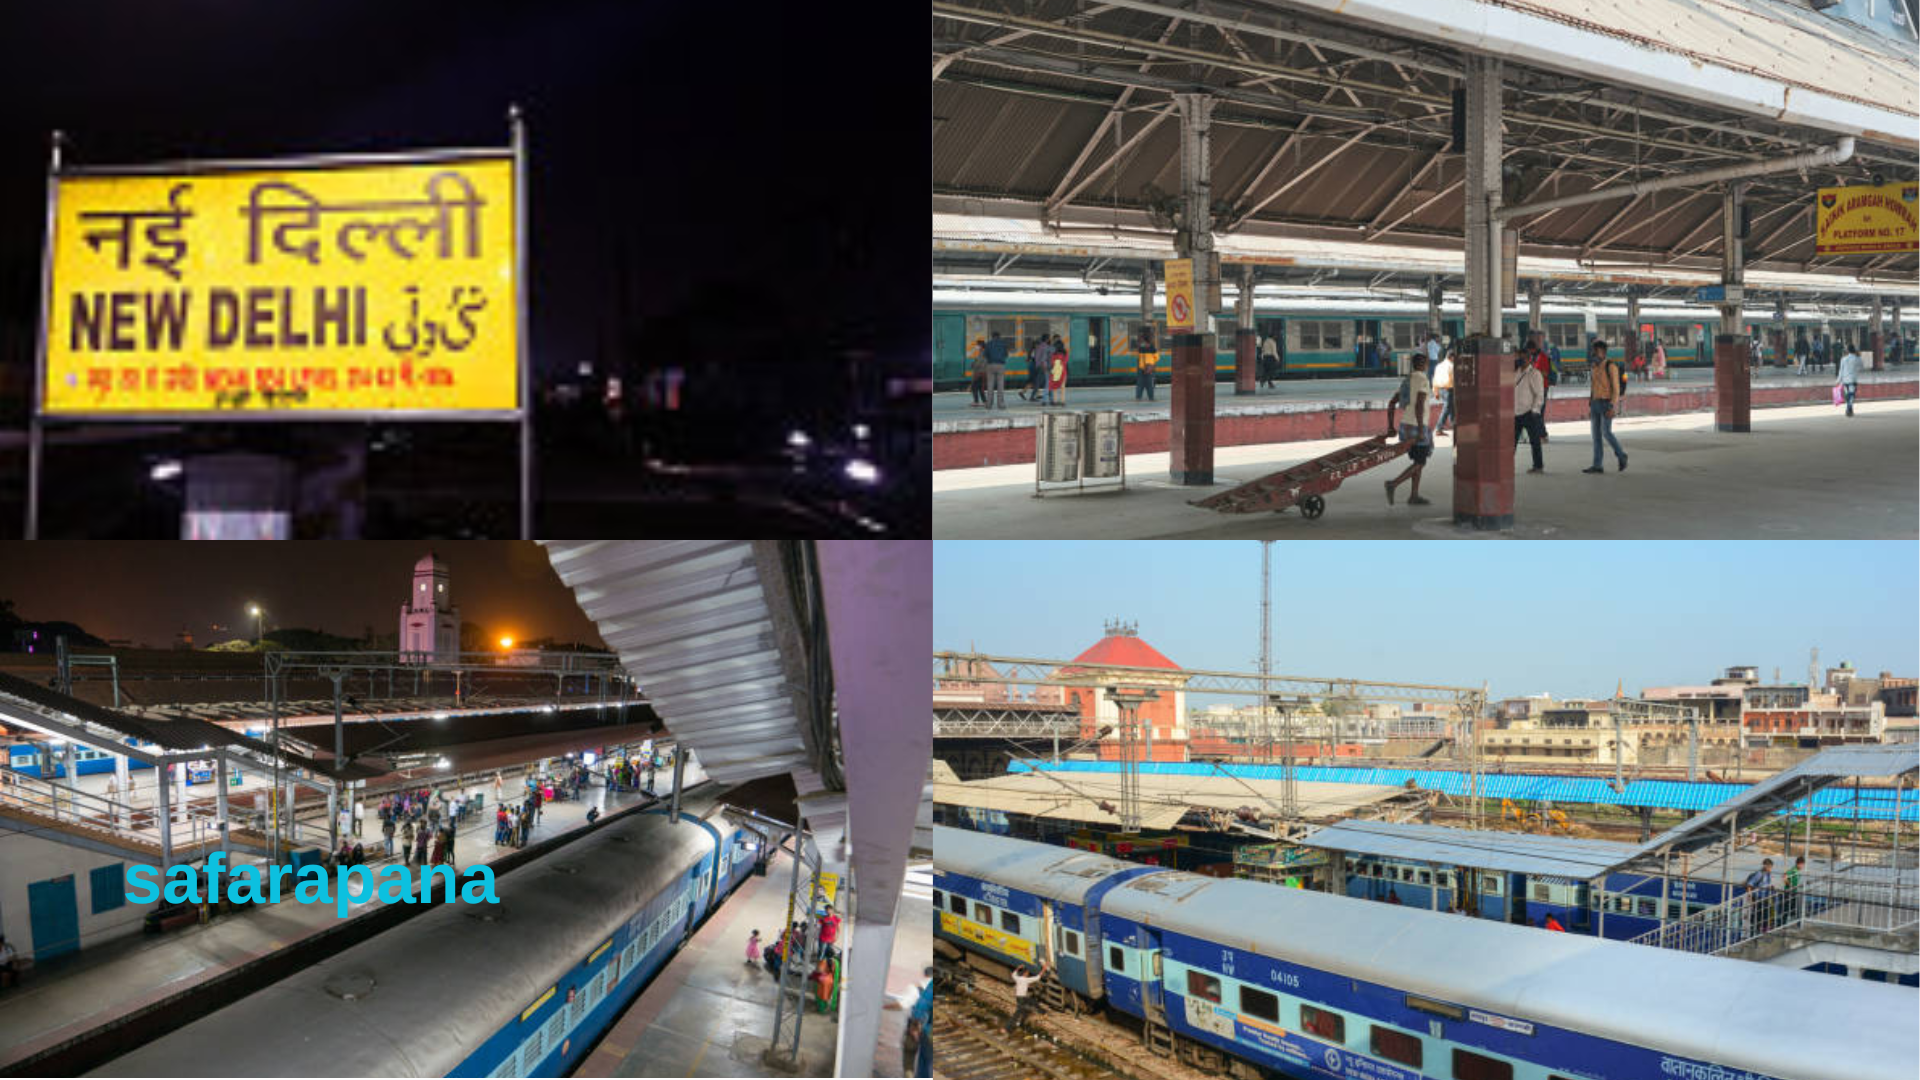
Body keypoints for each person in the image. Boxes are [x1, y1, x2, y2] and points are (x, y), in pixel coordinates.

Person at [1383, 354, 1433, 507]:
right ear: (1425, 364)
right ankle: (1393, 484)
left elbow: (1392, 403)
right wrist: (1420, 429)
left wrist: (1391, 426)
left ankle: (1414, 496)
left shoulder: (1407, 380)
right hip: (1416, 426)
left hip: (1404, 427)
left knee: (1418, 461)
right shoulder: (1423, 380)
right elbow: (1419, 405)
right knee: (1421, 462)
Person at [1583, 339, 1628, 475]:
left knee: (1606, 432)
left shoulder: (1611, 366)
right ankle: (1597, 465)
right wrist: (1590, 403)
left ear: (1602, 351)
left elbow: (1616, 388)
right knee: (1596, 436)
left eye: (1594, 351)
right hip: (1595, 403)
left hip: (1606, 403)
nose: (1592, 354)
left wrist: (1612, 407)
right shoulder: (1595, 366)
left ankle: (1621, 455)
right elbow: (1593, 386)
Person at [1513, 353, 1547, 475]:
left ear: (1529, 359)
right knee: (1511, 442)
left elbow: (1539, 394)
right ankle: (1507, 466)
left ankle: (1538, 466)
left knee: (1534, 441)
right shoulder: (1516, 372)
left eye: (1522, 358)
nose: (1519, 360)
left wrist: (1535, 410)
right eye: (1518, 358)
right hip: (1515, 412)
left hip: (1529, 413)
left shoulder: (1534, 374)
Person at [1006, 960, 1050, 1034]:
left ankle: (1043, 1013)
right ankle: (1007, 1028)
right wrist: (1044, 968)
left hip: (1019, 997)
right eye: (1027, 973)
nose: (1028, 974)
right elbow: (1037, 977)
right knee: (1017, 1014)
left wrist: (1018, 968)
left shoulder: (1018, 978)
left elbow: (1013, 975)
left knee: (1033, 1002)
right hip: (1022, 998)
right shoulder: (1025, 980)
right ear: (1025, 974)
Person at [1745, 858, 1775, 934]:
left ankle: (1764, 931)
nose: (1770, 869)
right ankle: (1755, 932)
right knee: (1758, 915)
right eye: (1769, 867)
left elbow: (1767, 884)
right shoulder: (1759, 874)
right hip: (1758, 897)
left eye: (1771, 867)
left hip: (1765, 897)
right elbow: (1749, 884)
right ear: (1765, 866)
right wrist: (1750, 897)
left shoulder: (1769, 874)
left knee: (1766, 915)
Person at [1430, 349, 1456, 437]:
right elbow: (1454, 379)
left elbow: (1434, 379)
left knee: (1452, 407)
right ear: (1451, 357)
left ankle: (1455, 425)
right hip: (1449, 389)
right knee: (1447, 408)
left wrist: (1435, 391)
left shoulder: (1439, 366)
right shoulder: (1451, 366)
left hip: (1441, 389)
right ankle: (1439, 428)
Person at [982, 330, 1010, 410]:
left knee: (990, 385)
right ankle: (1000, 404)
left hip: (990, 365)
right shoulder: (1003, 344)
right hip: (1001, 365)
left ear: (992, 336)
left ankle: (989, 404)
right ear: (999, 336)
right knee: (1000, 385)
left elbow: (985, 355)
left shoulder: (989, 343)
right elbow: (1006, 354)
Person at [1022, 333, 1050, 403]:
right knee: (1037, 381)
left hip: (1034, 366)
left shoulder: (1032, 350)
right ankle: (1031, 395)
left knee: (1035, 381)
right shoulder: (1039, 349)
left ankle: (1035, 394)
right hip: (1036, 366)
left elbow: (1028, 359)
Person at [1836, 339, 1861, 417]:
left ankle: (1849, 409)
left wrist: (1838, 380)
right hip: (1853, 380)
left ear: (1848, 350)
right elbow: (1861, 367)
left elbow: (1841, 370)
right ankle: (1849, 408)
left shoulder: (1843, 359)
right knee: (1852, 395)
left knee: (1848, 395)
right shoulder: (1857, 358)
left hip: (1845, 380)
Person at [1134, 327, 1157, 401]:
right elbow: (1156, 357)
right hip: (1149, 367)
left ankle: (1138, 397)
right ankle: (1151, 397)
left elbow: (1138, 357)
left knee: (1140, 384)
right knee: (1149, 384)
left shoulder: (1141, 347)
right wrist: (1152, 365)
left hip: (1142, 367)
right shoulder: (1152, 348)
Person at [1046, 334, 1068, 407]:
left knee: (1054, 387)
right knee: (1062, 387)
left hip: (1055, 372)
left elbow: (1051, 363)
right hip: (1063, 371)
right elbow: (1065, 362)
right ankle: (1062, 401)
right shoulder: (1065, 353)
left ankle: (1055, 401)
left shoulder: (1053, 354)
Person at [968, 340, 988, 408]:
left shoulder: (983, 353)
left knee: (974, 387)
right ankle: (984, 402)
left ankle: (977, 402)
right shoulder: (982, 353)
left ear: (981, 346)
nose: (976, 347)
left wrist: (973, 365)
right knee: (979, 388)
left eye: (978, 345)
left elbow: (979, 363)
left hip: (980, 372)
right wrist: (974, 363)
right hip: (981, 372)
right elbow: (978, 361)